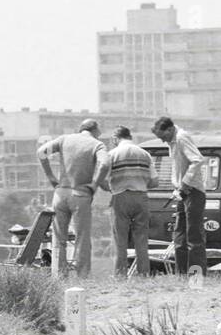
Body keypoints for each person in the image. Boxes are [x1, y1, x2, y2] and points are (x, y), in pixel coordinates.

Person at [37, 119, 109, 278]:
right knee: (82, 238)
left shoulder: (64, 139)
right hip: (80, 195)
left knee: (59, 238)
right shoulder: (97, 145)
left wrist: (51, 178)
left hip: (60, 194)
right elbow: (104, 164)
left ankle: (60, 275)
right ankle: (83, 276)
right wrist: (95, 184)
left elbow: (41, 152)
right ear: (95, 130)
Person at [150, 116, 207, 276]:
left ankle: (196, 276)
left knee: (194, 236)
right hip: (182, 193)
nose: (163, 141)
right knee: (179, 236)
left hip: (193, 192)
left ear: (169, 129)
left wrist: (185, 184)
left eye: (163, 137)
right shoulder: (172, 141)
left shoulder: (181, 137)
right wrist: (178, 188)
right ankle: (182, 275)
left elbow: (197, 160)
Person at [104, 125, 156, 276]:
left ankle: (120, 275)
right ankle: (143, 274)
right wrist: (140, 182)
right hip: (141, 197)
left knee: (119, 240)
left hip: (120, 196)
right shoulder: (145, 154)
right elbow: (155, 181)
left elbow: (104, 178)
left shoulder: (112, 154)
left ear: (115, 138)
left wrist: (111, 188)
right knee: (141, 239)